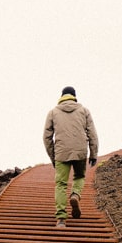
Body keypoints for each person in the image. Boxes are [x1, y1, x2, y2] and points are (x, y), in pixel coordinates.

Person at [43, 86, 99, 227]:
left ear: (62, 96)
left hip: (61, 152)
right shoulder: (84, 111)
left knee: (61, 184)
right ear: (74, 96)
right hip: (80, 151)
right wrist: (93, 153)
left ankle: (61, 218)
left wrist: (53, 156)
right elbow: (92, 133)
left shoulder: (53, 112)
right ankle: (75, 195)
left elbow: (46, 137)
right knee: (79, 176)